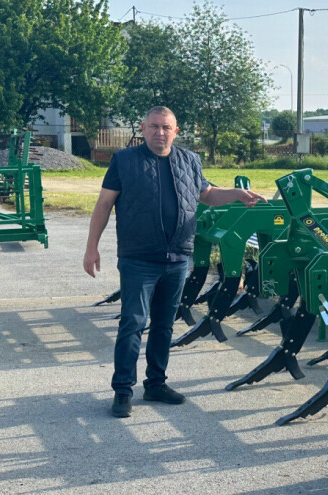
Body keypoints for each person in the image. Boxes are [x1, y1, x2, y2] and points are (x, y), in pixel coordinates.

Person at [83, 106, 266, 418]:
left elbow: (207, 194)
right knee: (133, 324)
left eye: (166, 127)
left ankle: (155, 384)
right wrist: (91, 248)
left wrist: (237, 194)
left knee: (164, 325)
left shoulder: (189, 160)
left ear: (176, 131)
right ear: (142, 129)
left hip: (178, 257)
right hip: (138, 258)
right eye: (154, 127)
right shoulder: (124, 161)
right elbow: (104, 204)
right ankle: (123, 391)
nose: (160, 132)